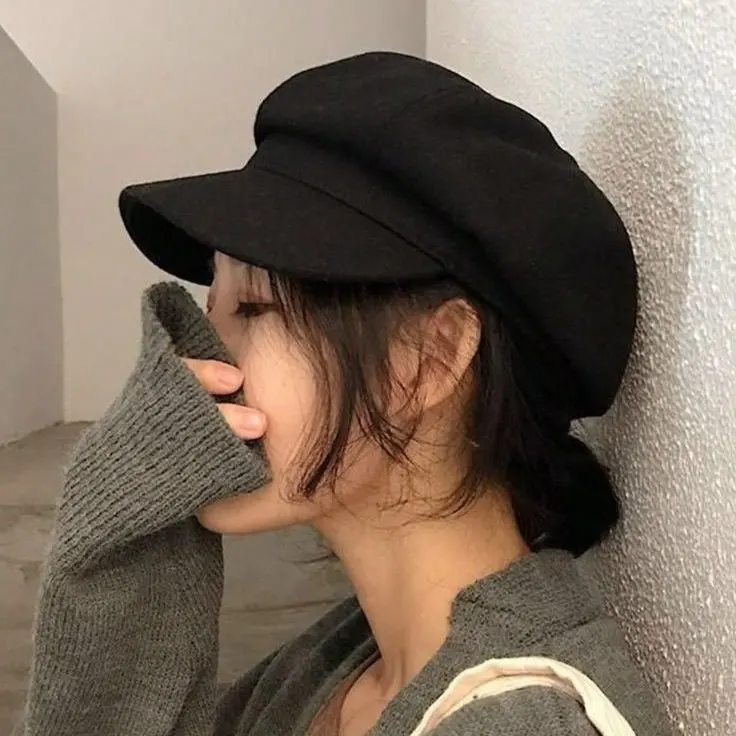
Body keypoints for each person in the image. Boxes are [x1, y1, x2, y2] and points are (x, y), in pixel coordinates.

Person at [18, 52, 675, 736]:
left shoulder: (523, 725)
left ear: (428, 361)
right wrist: (119, 536)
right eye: (212, 305)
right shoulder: (342, 660)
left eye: (253, 308)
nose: (196, 355)